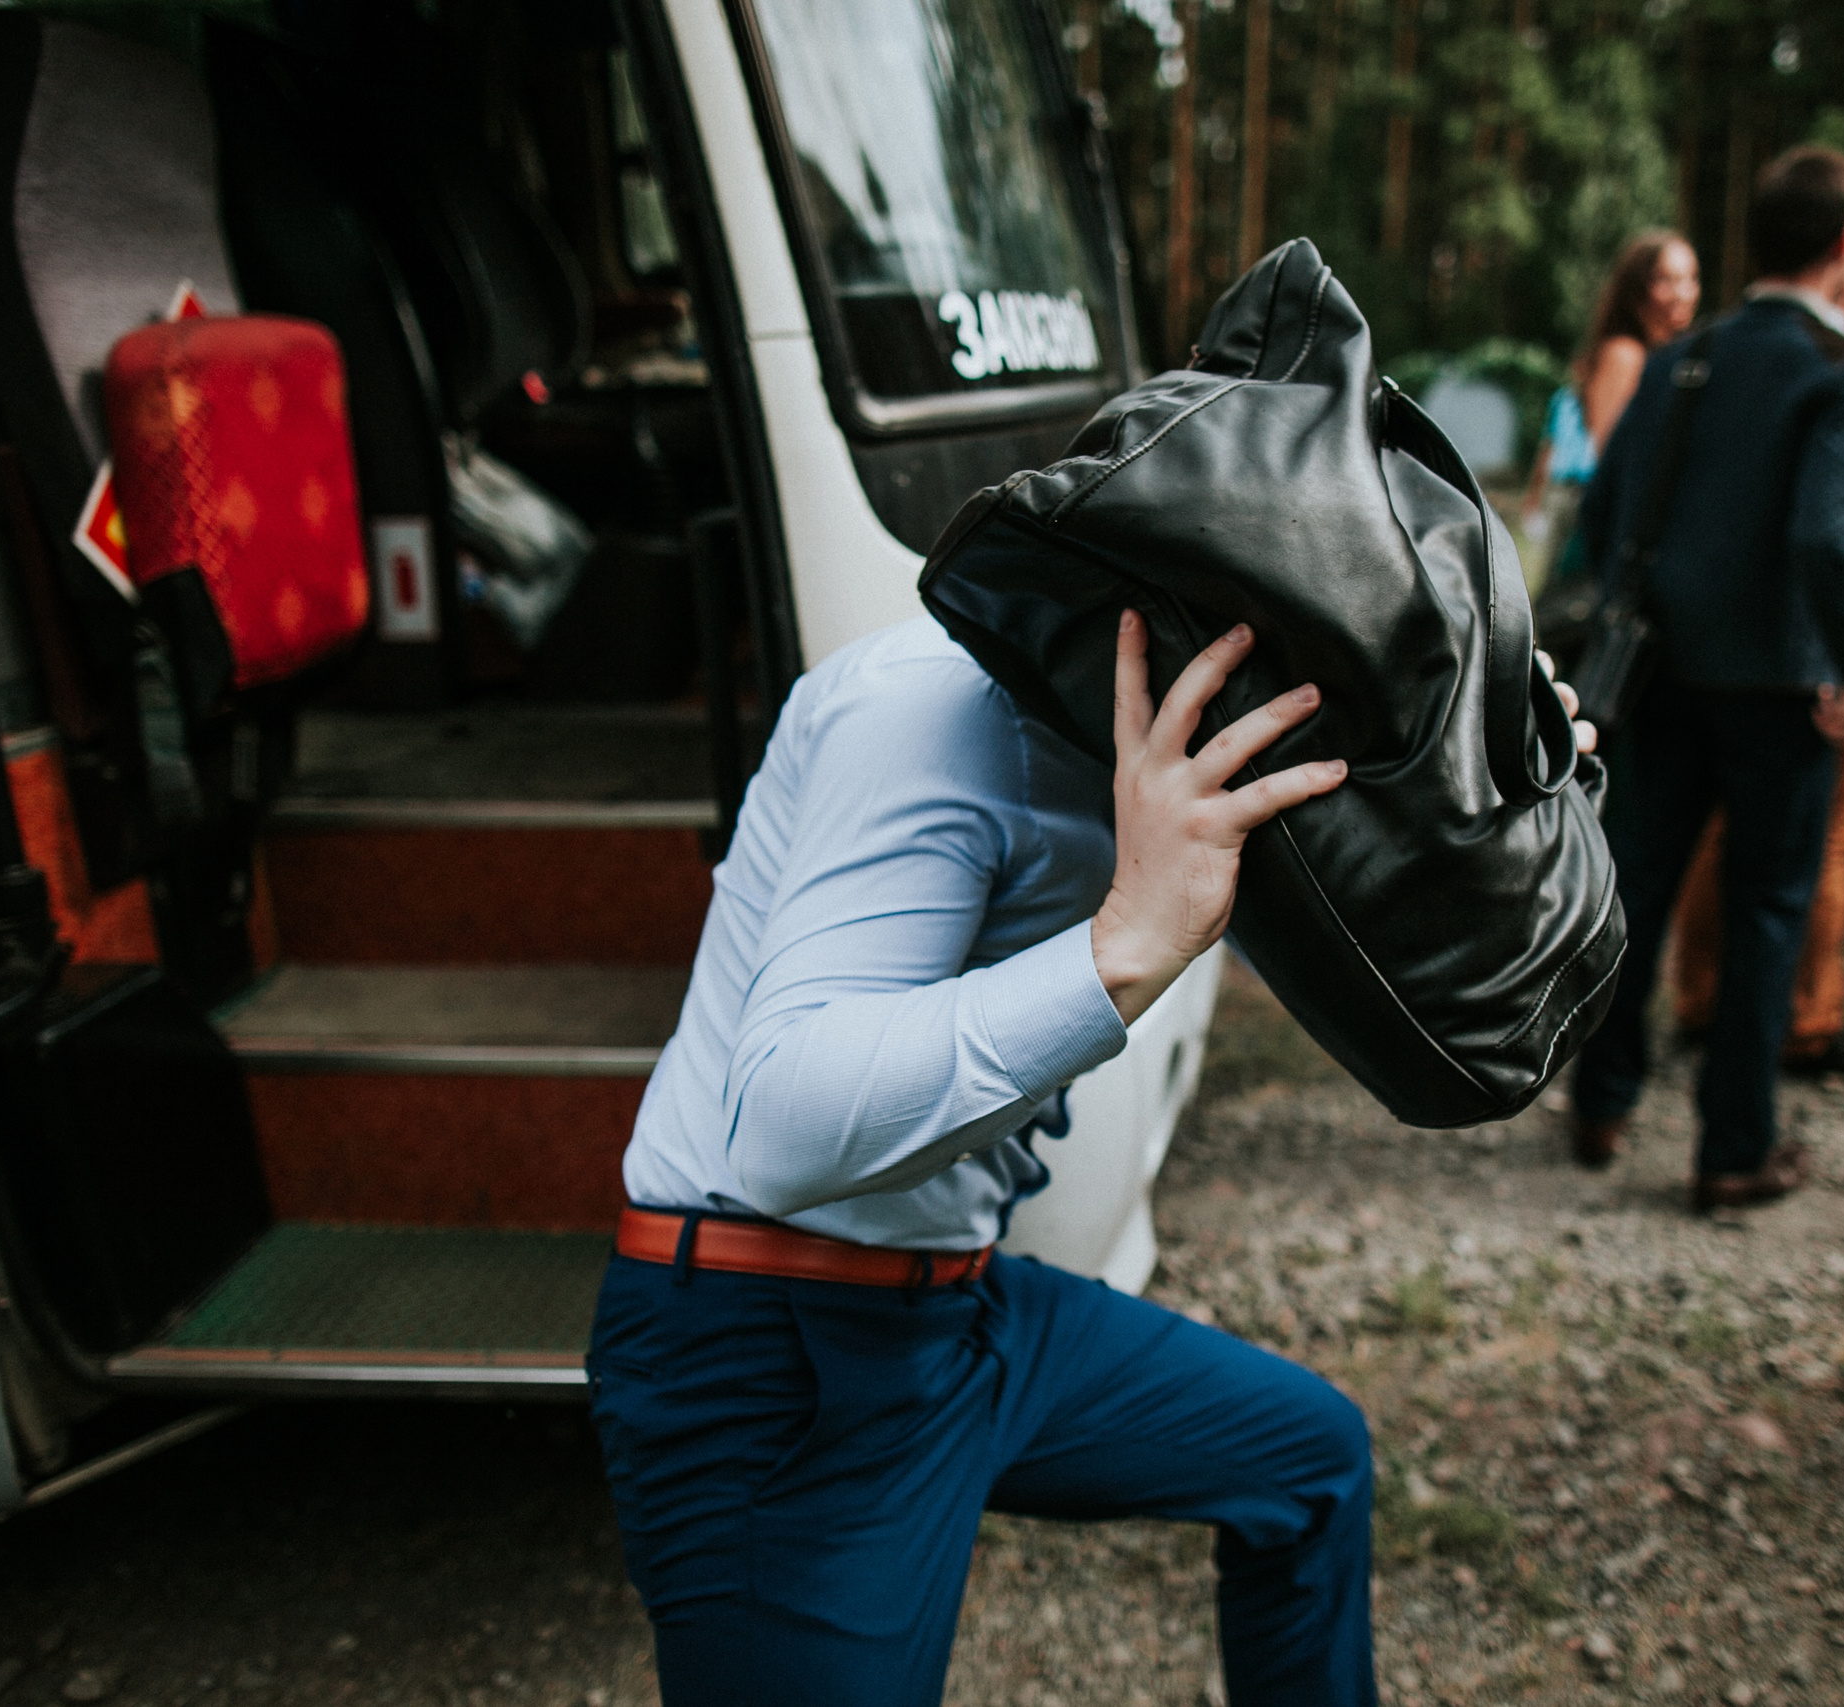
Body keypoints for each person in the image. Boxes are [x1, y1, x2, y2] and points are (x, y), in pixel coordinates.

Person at [585, 613, 1379, 1703]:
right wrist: (1123, 948)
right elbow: (778, 1129)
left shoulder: (1187, 736)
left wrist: (1505, 796)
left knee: (1307, 1459)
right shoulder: (928, 705)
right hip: (768, 1340)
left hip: (957, 1313)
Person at [1567, 145, 1844, 1209]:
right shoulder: (1841, 366)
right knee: (1763, 907)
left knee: (1638, 888)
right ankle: (1733, 1150)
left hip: (1658, 671)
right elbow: (1824, 539)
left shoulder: (1684, 355)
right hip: (1781, 686)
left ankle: (1602, 1104)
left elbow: (1607, 513)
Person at [1667, 273, 1844, 1081]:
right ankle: (1807, 1024)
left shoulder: (1696, 357)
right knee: (1821, 851)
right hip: (1805, 662)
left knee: (1703, 847)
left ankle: (1694, 1004)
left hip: (1694, 648)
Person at [1522, 231, 1701, 588]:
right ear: (1637, 290)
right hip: (1604, 517)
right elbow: (1614, 454)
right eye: (1666, 279)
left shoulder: (1674, 356)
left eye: (1690, 279)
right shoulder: (1624, 354)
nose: (1682, 292)